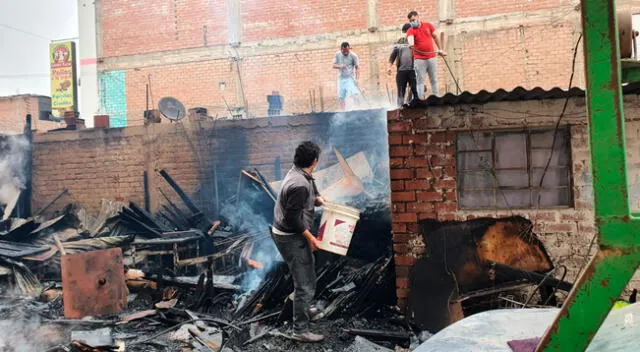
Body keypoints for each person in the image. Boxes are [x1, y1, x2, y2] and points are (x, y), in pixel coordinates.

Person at [271, 141, 325, 342]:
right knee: (303, 283)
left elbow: (311, 182)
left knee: (308, 273)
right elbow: (292, 219)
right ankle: (300, 330)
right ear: (314, 161)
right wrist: (310, 237)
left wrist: (318, 198)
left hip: (289, 233)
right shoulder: (299, 185)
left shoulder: (299, 172)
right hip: (289, 236)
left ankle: (305, 308)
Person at [406, 10, 446, 99]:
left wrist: (440, 49)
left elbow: (435, 36)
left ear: (418, 17)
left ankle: (436, 97)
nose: (412, 22)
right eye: (410, 21)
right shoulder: (410, 30)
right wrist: (410, 44)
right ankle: (420, 99)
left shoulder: (428, 26)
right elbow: (410, 40)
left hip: (431, 57)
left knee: (434, 79)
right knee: (420, 81)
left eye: (413, 20)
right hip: (419, 59)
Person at [389, 23, 419, 107]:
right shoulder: (399, 42)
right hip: (401, 71)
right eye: (407, 31)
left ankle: (415, 106)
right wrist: (389, 67)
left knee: (414, 89)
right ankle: (400, 108)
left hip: (412, 70)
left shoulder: (415, 42)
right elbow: (393, 56)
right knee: (401, 92)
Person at [333, 42, 360, 110]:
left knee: (354, 94)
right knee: (341, 98)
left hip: (350, 78)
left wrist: (357, 79)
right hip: (341, 79)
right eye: (343, 51)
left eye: (347, 51)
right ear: (341, 49)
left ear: (349, 48)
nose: (345, 52)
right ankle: (342, 112)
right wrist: (340, 66)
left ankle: (358, 109)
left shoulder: (353, 56)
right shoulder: (337, 54)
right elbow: (333, 65)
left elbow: (357, 68)